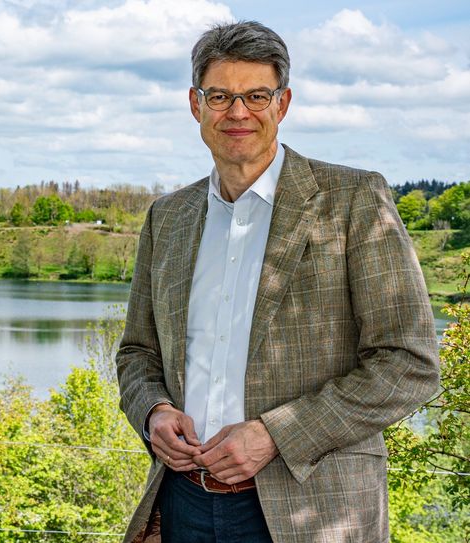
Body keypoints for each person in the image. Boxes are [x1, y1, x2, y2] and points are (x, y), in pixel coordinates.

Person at [116, 20, 440, 543]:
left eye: (256, 96)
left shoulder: (353, 199)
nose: (237, 112)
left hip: (310, 511)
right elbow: (136, 353)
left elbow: (410, 364)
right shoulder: (167, 217)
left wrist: (275, 434)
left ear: (282, 104)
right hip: (182, 504)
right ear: (195, 104)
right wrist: (152, 410)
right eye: (219, 95)